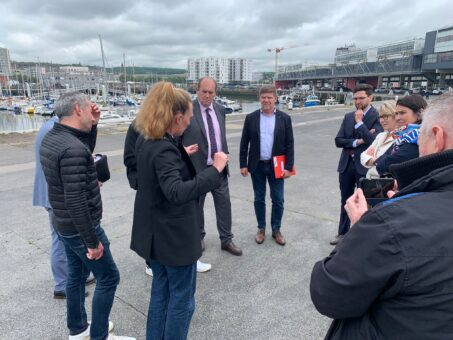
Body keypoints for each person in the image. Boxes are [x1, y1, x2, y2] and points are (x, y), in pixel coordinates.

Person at [310, 92, 453, 339]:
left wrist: (359, 230)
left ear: (437, 137)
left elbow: (328, 293)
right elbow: (361, 152)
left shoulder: (390, 224)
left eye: (421, 136)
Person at [130, 82, 228, 340]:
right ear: (177, 117)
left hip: (155, 238)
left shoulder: (149, 140)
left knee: (160, 296)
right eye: (189, 116)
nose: (190, 121)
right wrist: (214, 170)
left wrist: (179, 154)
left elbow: (157, 176)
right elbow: (176, 192)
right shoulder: (163, 147)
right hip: (172, 240)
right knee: (182, 302)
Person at [40, 92, 134, 340]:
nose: (91, 111)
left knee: (76, 275)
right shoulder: (71, 148)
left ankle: (78, 328)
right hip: (80, 225)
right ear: (78, 110)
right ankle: (99, 336)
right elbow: (75, 200)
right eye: (87, 108)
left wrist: (94, 125)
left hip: (62, 222)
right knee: (109, 277)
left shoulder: (54, 136)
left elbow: (83, 152)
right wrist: (92, 242)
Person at [123, 119, 213, 274]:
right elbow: (131, 158)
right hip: (155, 190)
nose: (186, 122)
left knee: (163, 284)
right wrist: (215, 171)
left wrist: (179, 153)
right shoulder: (143, 131)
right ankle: (154, 263)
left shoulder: (167, 137)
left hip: (168, 187)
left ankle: (188, 260)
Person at [33, 115, 95, 299]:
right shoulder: (55, 130)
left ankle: (74, 278)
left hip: (52, 192)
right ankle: (62, 284)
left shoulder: (51, 126)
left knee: (64, 239)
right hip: (56, 195)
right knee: (60, 241)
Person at [182, 77, 242, 256]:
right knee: (197, 206)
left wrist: (224, 154)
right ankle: (198, 237)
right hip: (197, 168)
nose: (207, 95)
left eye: (211, 92)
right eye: (204, 91)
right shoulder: (187, 110)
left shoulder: (221, 109)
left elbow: (219, 136)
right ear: (197, 90)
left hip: (219, 168)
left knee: (224, 204)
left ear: (216, 93)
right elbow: (178, 137)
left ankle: (226, 239)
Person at [239, 84, 294, 246]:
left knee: (278, 199)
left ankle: (276, 230)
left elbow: (290, 144)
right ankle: (261, 229)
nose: (266, 100)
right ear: (259, 99)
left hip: (277, 166)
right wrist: (243, 164)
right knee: (259, 198)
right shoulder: (251, 118)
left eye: (270, 97)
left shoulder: (285, 118)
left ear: (275, 99)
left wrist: (289, 167)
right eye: (263, 97)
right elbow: (244, 143)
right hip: (256, 165)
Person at [332, 84, 382, 245]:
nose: (358, 101)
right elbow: (338, 141)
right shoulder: (348, 116)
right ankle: (342, 233)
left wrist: (360, 123)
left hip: (364, 167)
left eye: (361, 98)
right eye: (355, 98)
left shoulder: (377, 116)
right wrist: (357, 141)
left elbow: (373, 142)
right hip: (346, 165)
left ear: (370, 98)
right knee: (345, 201)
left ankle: (362, 238)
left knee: (366, 202)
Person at [374, 94, 427, 176]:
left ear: (419, 114)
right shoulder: (403, 135)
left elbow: (384, 165)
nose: (398, 118)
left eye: (402, 113)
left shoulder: (417, 137)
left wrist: (378, 162)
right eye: (396, 114)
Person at [360, 101, 397, 179]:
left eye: (386, 116)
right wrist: (378, 161)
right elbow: (363, 156)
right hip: (370, 181)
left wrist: (372, 160)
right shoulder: (381, 136)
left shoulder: (400, 137)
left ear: (395, 116)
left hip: (385, 182)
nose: (382, 120)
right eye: (380, 117)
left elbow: (389, 162)